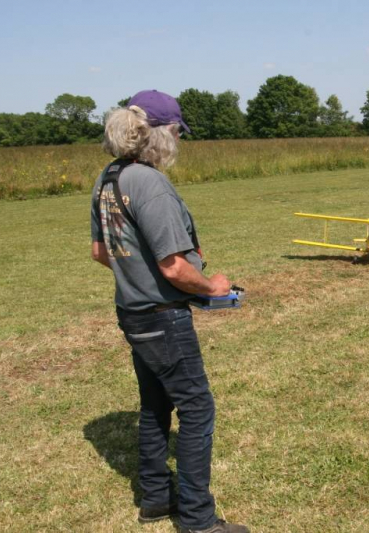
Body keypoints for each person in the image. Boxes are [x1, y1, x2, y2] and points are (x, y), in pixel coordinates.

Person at [90, 90, 249, 533]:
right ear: (159, 134)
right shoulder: (150, 183)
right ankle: (199, 520)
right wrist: (211, 286)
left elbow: (102, 252)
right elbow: (174, 265)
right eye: (177, 131)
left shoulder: (109, 178)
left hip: (133, 314)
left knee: (155, 406)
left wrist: (137, 275)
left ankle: (156, 499)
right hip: (163, 318)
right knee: (197, 409)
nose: (178, 141)